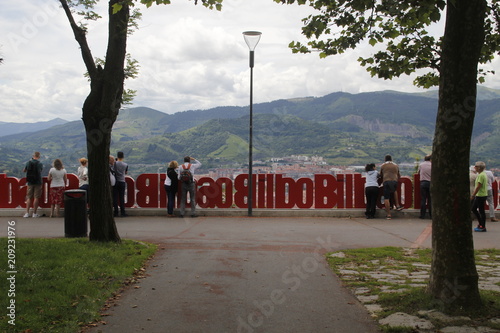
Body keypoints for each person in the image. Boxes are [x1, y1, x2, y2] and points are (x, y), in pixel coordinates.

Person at [379, 155, 403, 220]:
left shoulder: (383, 165)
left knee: (386, 198)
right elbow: (399, 175)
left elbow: (380, 175)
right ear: (391, 159)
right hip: (394, 181)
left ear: (385, 159)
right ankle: (397, 205)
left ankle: (388, 214)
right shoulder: (396, 165)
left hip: (386, 181)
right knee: (395, 191)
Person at [23, 151, 44, 218]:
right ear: (39, 156)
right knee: (36, 197)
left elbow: (24, 170)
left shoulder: (28, 162)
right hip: (38, 182)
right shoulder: (40, 163)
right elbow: (40, 171)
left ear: (33, 155)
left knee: (29, 197)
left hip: (30, 182)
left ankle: (27, 213)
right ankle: (34, 213)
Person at [471, 161, 488, 232]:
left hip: (480, 195)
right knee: (477, 209)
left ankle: (482, 226)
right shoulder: (483, 174)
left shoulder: (481, 175)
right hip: (482, 194)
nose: (475, 167)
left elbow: (478, 186)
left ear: (479, 167)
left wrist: (473, 195)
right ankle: (481, 224)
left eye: (476, 166)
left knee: (479, 210)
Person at [113, 151, 128, 217]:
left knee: (115, 197)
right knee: (122, 197)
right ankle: (123, 212)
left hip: (115, 181)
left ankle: (116, 212)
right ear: (123, 156)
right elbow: (126, 172)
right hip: (122, 181)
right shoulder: (125, 165)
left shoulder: (114, 163)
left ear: (117, 156)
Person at [417, 155, 432, 219]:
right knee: (430, 200)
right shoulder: (432, 165)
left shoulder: (421, 165)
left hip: (423, 183)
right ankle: (431, 215)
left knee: (423, 199)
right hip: (430, 183)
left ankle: (422, 215)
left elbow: (418, 173)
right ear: (430, 159)